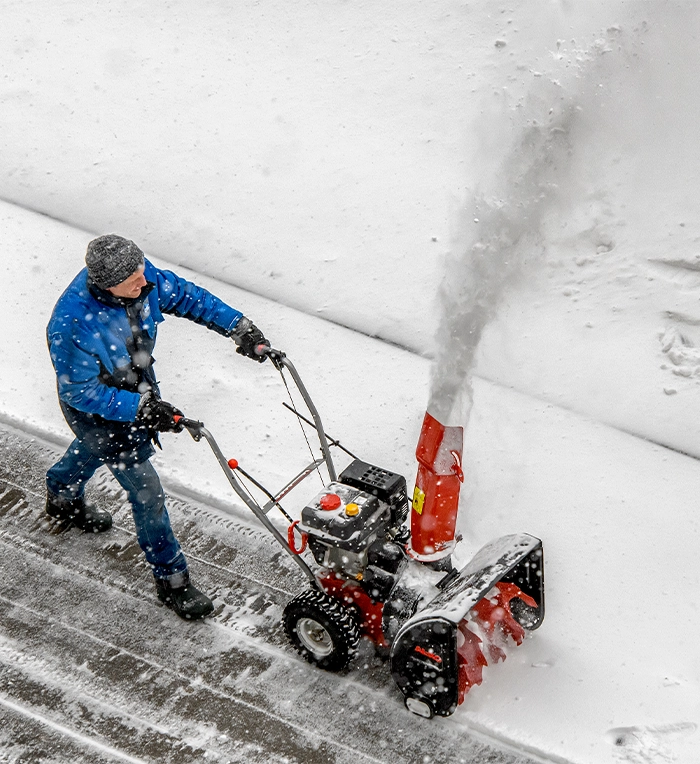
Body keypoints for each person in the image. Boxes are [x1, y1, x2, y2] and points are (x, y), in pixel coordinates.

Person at [45, 234, 271, 620]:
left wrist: (239, 327)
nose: (144, 279)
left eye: (141, 268)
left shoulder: (140, 277)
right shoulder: (72, 323)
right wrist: (143, 410)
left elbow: (187, 296)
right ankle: (172, 580)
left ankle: (61, 494)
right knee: (147, 493)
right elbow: (79, 391)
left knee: (93, 450)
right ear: (105, 284)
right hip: (97, 411)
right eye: (132, 276)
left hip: (136, 388)